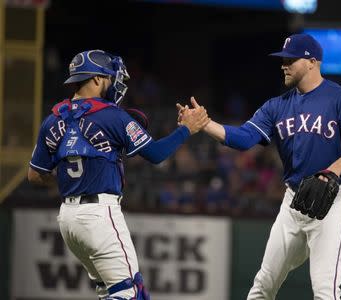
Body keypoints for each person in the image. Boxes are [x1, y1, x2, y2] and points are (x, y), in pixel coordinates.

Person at [178, 34, 341, 299]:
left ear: (312, 62)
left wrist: (333, 170)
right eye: (283, 60)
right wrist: (206, 124)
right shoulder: (277, 106)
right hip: (294, 199)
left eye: (290, 60)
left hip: (334, 198)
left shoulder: (340, 98)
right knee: (263, 285)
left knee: (325, 290)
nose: (284, 65)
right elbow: (244, 138)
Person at [28, 49, 209, 300]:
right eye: (110, 77)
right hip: (99, 215)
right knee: (130, 294)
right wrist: (186, 129)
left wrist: (74, 182)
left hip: (67, 220)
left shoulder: (52, 120)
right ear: (96, 79)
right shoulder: (112, 116)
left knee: (112, 292)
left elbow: (35, 176)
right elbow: (156, 154)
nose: (114, 83)